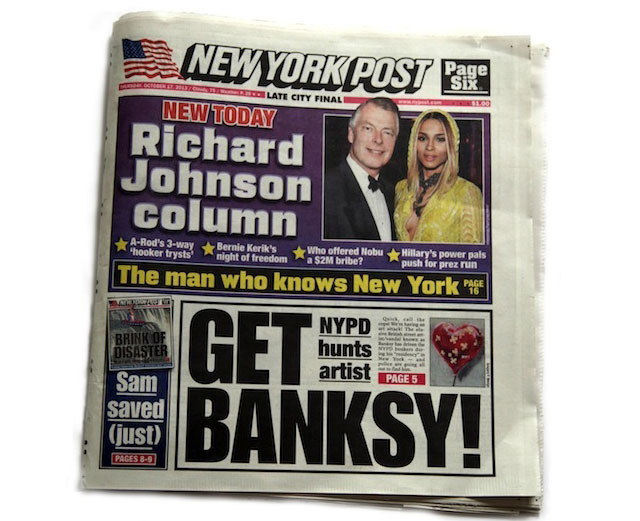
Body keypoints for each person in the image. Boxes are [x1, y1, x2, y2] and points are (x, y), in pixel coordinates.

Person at [394, 109, 483, 243]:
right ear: (413, 143)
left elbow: (473, 253)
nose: (430, 147)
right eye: (422, 138)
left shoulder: (467, 192)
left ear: (451, 145)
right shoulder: (401, 188)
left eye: (440, 139)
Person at [324, 98, 399, 240]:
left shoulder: (394, 194)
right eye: (368, 129)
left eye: (387, 132)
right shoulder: (325, 189)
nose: (378, 139)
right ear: (351, 134)